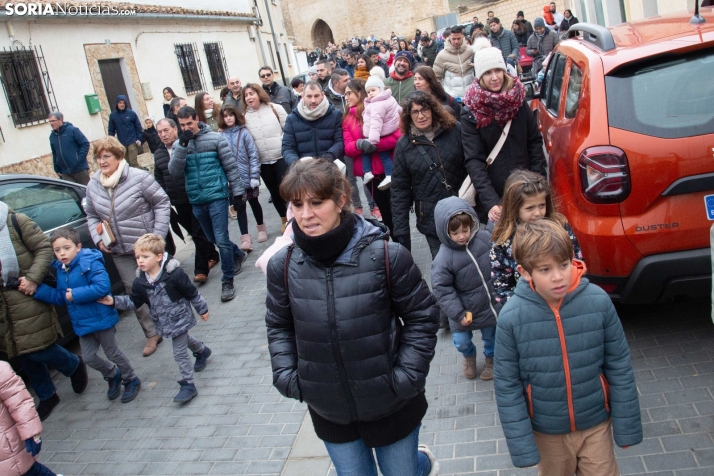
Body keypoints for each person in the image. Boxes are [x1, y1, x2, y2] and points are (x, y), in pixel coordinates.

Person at [265, 158, 441, 476]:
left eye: (317, 203)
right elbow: (279, 324)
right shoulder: (283, 266)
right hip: (329, 408)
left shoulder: (387, 256)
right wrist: (289, 377)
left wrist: (406, 377)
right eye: (298, 204)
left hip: (392, 402)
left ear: (341, 200)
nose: (305, 215)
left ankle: (420, 463)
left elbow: (422, 317)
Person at [494, 219, 642, 472]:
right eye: (544, 270)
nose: (558, 276)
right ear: (525, 272)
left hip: (595, 423)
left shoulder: (598, 302)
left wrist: (627, 426)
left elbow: (619, 365)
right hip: (547, 431)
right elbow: (507, 385)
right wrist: (522, 446)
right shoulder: (511, 318)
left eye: (563, 265)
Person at [32, 227, 141, 403]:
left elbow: (101, 288)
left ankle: (131, 378)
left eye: (66, 248)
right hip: (82, 322)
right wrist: (37, 289)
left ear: (78, 247)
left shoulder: (90, 261)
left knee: (112, 353)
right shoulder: (61, 269)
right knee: (89, 358)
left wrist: (74, 294)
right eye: (57, 250)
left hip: (101, 318)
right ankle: (112, 374)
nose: (62, 253)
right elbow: (62, 297)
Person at [100, 233, 212, 404]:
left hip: (180, 318)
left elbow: (191, 292)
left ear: (159, 257)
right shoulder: (140, 283)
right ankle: (201, 350)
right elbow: (133, 302)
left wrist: (202, 308)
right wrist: (113, 301)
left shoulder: (174, 275)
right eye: (138, 257)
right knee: (182, 340)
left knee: (179, 351)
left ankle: (188, 384)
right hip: (164, 322)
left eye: (145, 256)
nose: (140, 261)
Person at [0, 201, 87, 422]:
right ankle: (47, 395)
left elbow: (44, 249)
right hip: (3, 303)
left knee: (36, 348)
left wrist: (32, 279)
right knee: (20, 350)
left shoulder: (14, 221)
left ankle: (74, 365)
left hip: (26, 292)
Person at [84, 136, 171, 355]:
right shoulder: (93, 184)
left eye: (106, 156)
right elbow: (91, 215)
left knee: (161, 284)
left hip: (147, 247)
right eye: (98, 158)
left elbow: (161, 202)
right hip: (119, 250)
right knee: (135, 291)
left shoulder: (139, 177)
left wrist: (157, 237)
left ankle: (174, 320)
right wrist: (98, 239)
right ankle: (151, 334)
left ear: (119, 156)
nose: (102, 162)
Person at [169, 106, 248, 302]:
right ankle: (236, 252)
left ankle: (227, 281)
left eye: (189, 123)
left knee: (221, 239)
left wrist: (237, 193)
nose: (187, 127)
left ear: (197, 119)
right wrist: (182, 145)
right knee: (213, 239)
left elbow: (230, 166)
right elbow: (174, 171)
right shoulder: (181, 144)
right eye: (182, 125)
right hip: (197, 199)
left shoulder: (215, 138)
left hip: (217, 196)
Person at [461, 48, 546, 224]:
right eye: (488, 72)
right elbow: (474, 160)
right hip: (497, 195)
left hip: (527, 191)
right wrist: (491, 202)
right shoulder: (471, 111)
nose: (494, 77)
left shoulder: (519, 100)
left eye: (498, 70)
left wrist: (538, 185)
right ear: (480, 76)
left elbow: (534, 143)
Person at [391, 91, 467, 258]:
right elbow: (400, 189)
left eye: (424, 109)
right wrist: (401, 229)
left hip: (464, 212)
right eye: (415, 112)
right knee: (443, 268)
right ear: (409, 116)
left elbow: (472, 165)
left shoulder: (455, 130)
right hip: (432, 219)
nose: (421, 116)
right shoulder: (404, 145)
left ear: (433, 110)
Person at [490, 170, 583, 305]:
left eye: (541, 205)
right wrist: (522, 308)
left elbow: (577, 263)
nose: (538, 213)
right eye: (530, 208)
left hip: (566, 302)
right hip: (528, 309)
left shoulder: (560, 228)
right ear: (514, 208)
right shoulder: (503, 242)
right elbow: (501, 287)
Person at [431, 197, 499, 380]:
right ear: (445, 232)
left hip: (487, 304)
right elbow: (442, 290)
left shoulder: (483, 239)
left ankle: (491, 361)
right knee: (461, 341)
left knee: (491, 337)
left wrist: (496, 221)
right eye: (455, 233)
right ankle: (468, 357)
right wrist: (458, 313)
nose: (462, 236)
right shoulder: (443, 259)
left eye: (465, 230)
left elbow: (497, 242)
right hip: (463, 310)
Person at [154, 118, 220, 283]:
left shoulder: (186, 145)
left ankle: (201, 270)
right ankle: (214, 254)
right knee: (196, 232)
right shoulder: (159, 154)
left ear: (175, 129)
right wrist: (164, 199)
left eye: (166, 130)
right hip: (178, 201)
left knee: (198, 233)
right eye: (160, 132)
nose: (163, 135)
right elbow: (159, 179)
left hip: (195, 196)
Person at [343, 78, 392, 225]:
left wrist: (377, 144)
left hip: (390, 169)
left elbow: (397, 134)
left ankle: (402, 244)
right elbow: (348, 148)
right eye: (345, 94)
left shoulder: (381, 107)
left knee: (398, 211)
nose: (346, 97)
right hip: (370, 175)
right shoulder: (347, 118)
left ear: (360, 93)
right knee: (385, 213)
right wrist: (359, 144)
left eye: (349, 93)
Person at [0, 360, 62, 476]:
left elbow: (21, 403)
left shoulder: (1, 371)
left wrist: (32, 434)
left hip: (8, 449)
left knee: (30, 471)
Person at [218, 104, 266, 251]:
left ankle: (261, 228)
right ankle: (245, 238)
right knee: (240, 206)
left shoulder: (244, 133)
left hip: (248, 175)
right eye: (225, 116)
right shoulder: (220, 135)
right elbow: (219, 159)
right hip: (233, 178)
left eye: (230, 115)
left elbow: (253, 154)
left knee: (254, 202)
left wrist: (254, 175)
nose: (228, 118)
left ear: (235, 116)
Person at [242, 83, 289, 230]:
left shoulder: (275, 108)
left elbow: (288, 130)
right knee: (274, 191)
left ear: (259, 94)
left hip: (281, 156)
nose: (249, 97)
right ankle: (284, 219)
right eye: (246, 95)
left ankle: (294, 216)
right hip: (262, 161)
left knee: (287, 189)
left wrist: (284, 144)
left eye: (251, 93)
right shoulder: (244, 117)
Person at [281, 81, 344, 165]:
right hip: (304, 170)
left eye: (316, 96)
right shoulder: (292, 119)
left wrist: (328, 158)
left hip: (331, 167)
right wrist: (296, 164)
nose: (313, 100)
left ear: (322, 95)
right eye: (309, 96)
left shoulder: (336, 115)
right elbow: (287, 148)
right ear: (303, 96)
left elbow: (340, 142)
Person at [361, 75, 401, 190]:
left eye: (373, 90)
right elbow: (398, 109)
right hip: (389, 132)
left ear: (381, 89)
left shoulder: (377, 105)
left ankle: (368, 172)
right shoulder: (390, 98)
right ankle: (388, 174)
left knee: (367, 150)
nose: (371, 94)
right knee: (385, 156)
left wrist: (373, 139)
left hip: (379, 135)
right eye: (368, 92)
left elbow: (376, 123)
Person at [433, 25, 476, 100]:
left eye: (458, 38)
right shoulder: (441, 55)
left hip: (472, 96)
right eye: (454, 39)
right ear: (449, 38)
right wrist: (444, 94)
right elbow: (436, 78)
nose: (456, 41)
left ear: (463, 37)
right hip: (453, 99)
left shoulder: (471, 51)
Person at [48, 111, 90, 185]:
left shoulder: (72, 130)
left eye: (53, 121)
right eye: (50, 121)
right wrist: (56, 168)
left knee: (86, 191)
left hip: (79, 169)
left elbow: (85, 144)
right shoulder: (52, 136)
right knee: (74, 194)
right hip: (65, 172)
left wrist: (78, 160)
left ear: (60, 120)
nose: (51, 123)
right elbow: (55, 153)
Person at [107, 95, 143, 169]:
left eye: (123, 103)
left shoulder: (131, 113)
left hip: (132, 141)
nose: (122, 104)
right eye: (120, 102)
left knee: (133, 163)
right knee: (126, 164)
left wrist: (139, 138)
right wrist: (111, 142)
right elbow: (111, 130)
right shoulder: (113, 116)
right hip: (121, 143)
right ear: (117, 103)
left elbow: (138, 127)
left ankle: (144, 173)